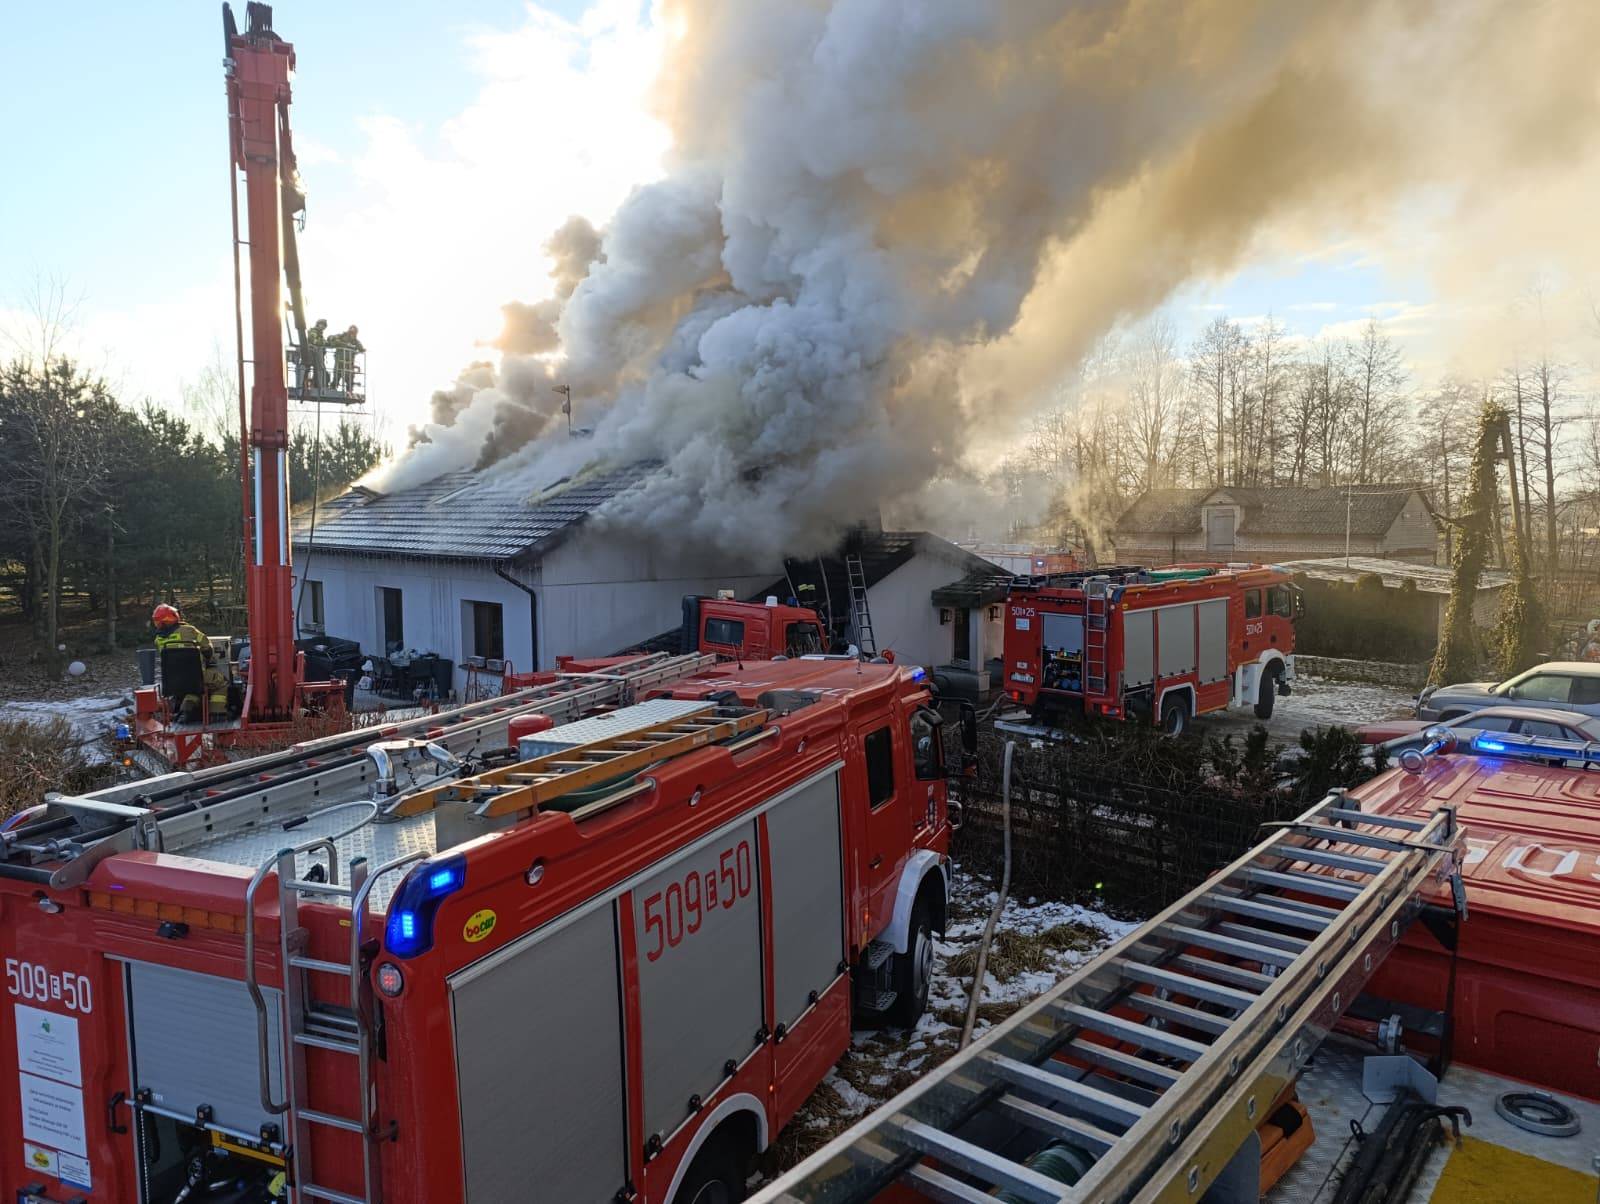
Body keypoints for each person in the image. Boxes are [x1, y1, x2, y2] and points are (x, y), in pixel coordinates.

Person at [152, 604, 228, 721]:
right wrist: (208, 658)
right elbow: (207, 647)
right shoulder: (189, 630)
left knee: (192, 688)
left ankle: (185, 713)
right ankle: (217, 714)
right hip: (196, 675)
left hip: (174, 681)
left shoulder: (158, 640)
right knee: (221, 682)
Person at [329, 324, 364, 392]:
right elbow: (331, 338)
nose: (352, 334)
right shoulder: (342, 336)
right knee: (337, 375)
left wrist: (361, 349)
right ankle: (333, 388)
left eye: (354, 333)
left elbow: (360, 347)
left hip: (349, 363)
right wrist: (341, 343)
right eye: (351, 332)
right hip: (340, 360)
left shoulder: (355, 341)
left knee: (349, 378)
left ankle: (349, 391)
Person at [301, 318, 329, 391]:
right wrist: (322, 342)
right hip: (311, 354)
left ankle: (315, 385)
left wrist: (324, 342)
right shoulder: (313, 331)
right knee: (308, 369)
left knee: (317, 371)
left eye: (324, 326)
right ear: (318, 324)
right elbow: (313, 340)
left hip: (316, 355)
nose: (323, 327)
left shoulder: (320, 334)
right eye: (322, 325)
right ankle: (304, 384)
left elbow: (323, 342)